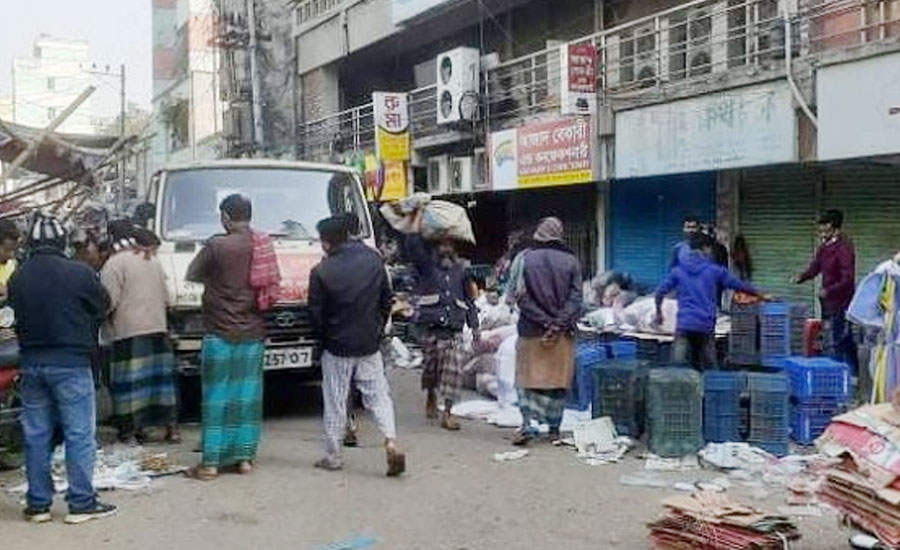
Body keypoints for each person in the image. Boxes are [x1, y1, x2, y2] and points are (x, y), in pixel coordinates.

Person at [9, 214, 116, 524]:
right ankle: (81, 503)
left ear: (30, 243)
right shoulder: (79, 273)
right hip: (71, 363)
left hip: (31, 364)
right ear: (63, 243)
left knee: (36, 434)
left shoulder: (18, 277)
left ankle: (38, 505)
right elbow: (102, 305)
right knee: (79, 434)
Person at [308, 216, 405, 476]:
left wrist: (324, 340)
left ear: (326, 242)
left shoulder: (321, 272)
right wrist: (376, 330)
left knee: (335, 401)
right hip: (369, 343)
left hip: (337, 347)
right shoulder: (374, 260)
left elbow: (315, 316)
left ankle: (334, 456)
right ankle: (391, 440)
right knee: (378, 396)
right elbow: (387, 300)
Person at [185, 195, 265, 480]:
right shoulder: (262, 243)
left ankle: (211, 464)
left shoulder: (217, 245)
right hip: (253, 332)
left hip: (219, 331)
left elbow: (192, 273)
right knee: (247, 397)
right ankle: (244, 459)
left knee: (217, 396)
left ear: (226, 217)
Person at [100, 220, 179, 445]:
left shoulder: (114, 264)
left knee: (130, 383)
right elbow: (167, 298)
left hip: (128, 332)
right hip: (157, 327)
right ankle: (171, 429)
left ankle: (130, 431)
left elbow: (108, 302)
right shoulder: (152, 259)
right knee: (160, 382)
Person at [509, 218, 582, 446]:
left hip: (531, 331)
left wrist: (545, 321)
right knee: (558, 382)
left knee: (526, 379)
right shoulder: (572, 261)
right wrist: (558, 323)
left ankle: (528, 424)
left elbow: (518, 296)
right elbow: (576, 298)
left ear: (539, 234)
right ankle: (553, 430)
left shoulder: (524, 259)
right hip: (562, 334)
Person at [406, 212, 479, 431]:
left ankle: (447, 412)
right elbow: (413, 246)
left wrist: (475, 327)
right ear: (436, 247)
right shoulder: (427, 267)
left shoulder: (462, 271)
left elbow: (470, 301)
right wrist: (416, 219)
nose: (446, 249)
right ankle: (430, 394)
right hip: (431, 329)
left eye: (450, 245)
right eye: (442, 245)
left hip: (454, 329)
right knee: (431, 371)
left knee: (453, 373)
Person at [656, 233, 763, 369]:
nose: (712, 252)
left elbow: (659, 292)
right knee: (710, 364)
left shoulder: (678, 271)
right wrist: (762, 295)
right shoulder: (715, 270)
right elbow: (739, 285)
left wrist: (659, 313)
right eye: (710, 249)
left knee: (677, 366)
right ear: (705, 249)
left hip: (684, 324)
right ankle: (713, 387)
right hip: (705, 324)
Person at [796, 209, 858, 373]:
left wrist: (829, 290)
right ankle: (846, 371)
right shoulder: (824, 247)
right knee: (834, 339)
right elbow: (816, 267)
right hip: (828, 302)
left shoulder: (844, 249)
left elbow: (847, 278)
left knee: (840, 339)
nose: (823, 234)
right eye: (821, 230)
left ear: (836, 230)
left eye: (826, 230)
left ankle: (846, 374)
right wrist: (802, 277)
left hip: (843, 302)